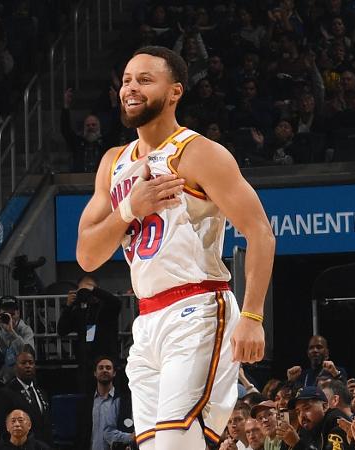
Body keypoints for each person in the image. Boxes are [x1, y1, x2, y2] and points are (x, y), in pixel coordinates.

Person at [76, 45, 275, 449]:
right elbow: (87, 255)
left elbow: (260, 233)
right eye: (128, 80)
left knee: (173, 444)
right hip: (147, 321)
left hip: (198, 309)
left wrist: (252, 316)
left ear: (175, 92)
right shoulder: (112, 163)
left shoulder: (200, 153)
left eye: (145, 80)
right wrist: (130, 207)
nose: (131, 88)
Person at [57, 275, 121, 391]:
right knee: (87, 402)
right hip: (86, 366)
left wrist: (93, 290)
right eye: (82, 289)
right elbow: (62, 330)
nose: (87, 292)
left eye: (90, 287)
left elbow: (116, 302)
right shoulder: (79, 310)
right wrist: (68, 307)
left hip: (107, 363)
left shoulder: (107, 307)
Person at [0, 348, 51, 446]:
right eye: (23, 363)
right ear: (15, 367)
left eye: (31, 363)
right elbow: (1, 425)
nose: (28, 366)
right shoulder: (5, 393)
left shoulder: (42, 393)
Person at [76, 356, 135, 450]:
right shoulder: (86, 403)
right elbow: (80, 434)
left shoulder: (125, 402)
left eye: (108, 368)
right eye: (101, 368)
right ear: (95, 373)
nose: (104, 370)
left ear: (114, 373)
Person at [0, 296, 34, 384]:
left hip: (21, 376)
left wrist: (12, 333)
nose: (10, 318)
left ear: (18, 313)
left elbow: (27, 354)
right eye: (6, 314)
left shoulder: (25, 330)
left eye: (12, 314)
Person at [281, 386, 350, 450]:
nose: (301, 416)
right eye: (298, 412)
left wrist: (297, 444)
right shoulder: (305, 430)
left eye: (306, 408)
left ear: (324, 407)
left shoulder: (336, 422)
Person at [61, 89, 107, 172]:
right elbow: (65, 130)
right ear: (84, 127)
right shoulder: (77, 143)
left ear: (99, 127)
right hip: (80, 181)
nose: (91, 127)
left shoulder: (105, 143)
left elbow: (116, 129)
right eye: (88, 125)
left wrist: (115, 105)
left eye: (93, 125)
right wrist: (66, 106)